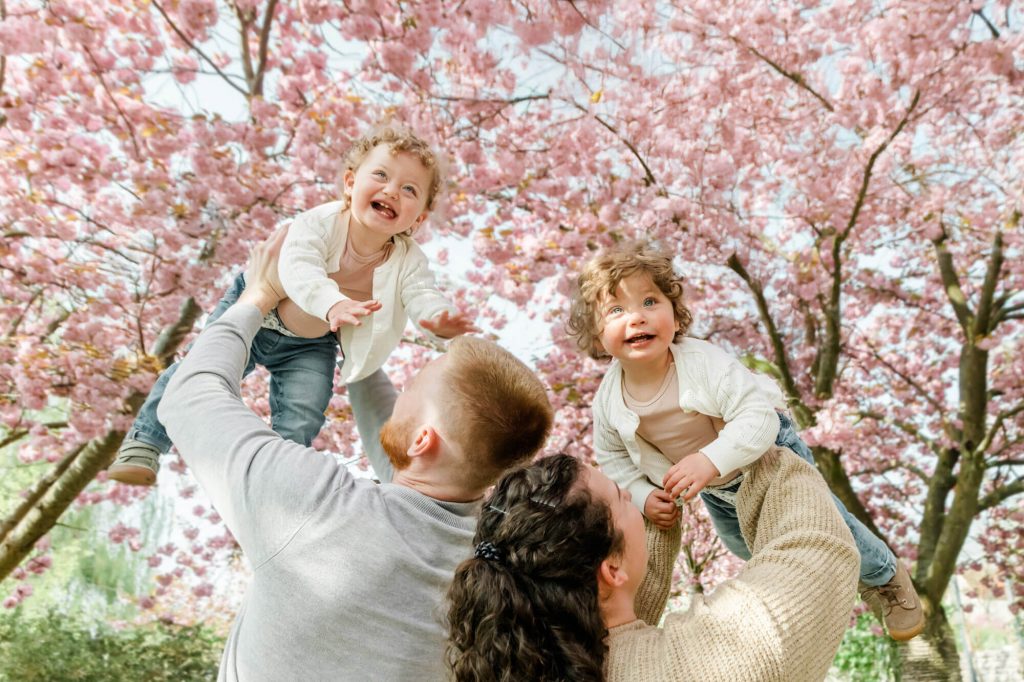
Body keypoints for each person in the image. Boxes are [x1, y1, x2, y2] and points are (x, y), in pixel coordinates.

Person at [153, 241, 552, 680]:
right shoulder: (497, 570)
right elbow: (409, 472)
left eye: (413, 389)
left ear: (422, 439)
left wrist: (257, 297)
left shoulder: (316, 507)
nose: (401, 397)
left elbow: (188, 395)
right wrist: (355, 348)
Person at [564, 240, 923, 641]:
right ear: (597, 339)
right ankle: (808, 579)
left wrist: (708, 459)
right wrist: (643, 494)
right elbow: (612, 459)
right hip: (716, 484)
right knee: (742, 542)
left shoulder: (703, 363)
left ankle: (885, 577)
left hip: (767, 452)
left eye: (650, 302)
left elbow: (756, 418)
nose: (637, 318)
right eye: (616, 310)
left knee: (825, 520)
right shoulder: (608, 400)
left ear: (676, 316)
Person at [109, 122, 475, 486]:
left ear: (419, 218)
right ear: (350, 184)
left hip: (312, 344)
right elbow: (300, 269)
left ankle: (271, 482)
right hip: (260, 314)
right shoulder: (320, 223)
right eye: (380, 175)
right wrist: (333, 304)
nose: (392, 190)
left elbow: (421, 292)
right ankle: (144, 441)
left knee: (305, 412)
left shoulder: (409, 259)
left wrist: (436, 317)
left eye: (409, 189)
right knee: (198, 367)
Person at [446, 446, 860, 681]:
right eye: (623, 497)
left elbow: (620, 618)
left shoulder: (521, 666)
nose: (632, 496)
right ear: (611, 569)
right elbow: (816, 551)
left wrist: (657, 497)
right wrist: (761, 447)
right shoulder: (709, 665)